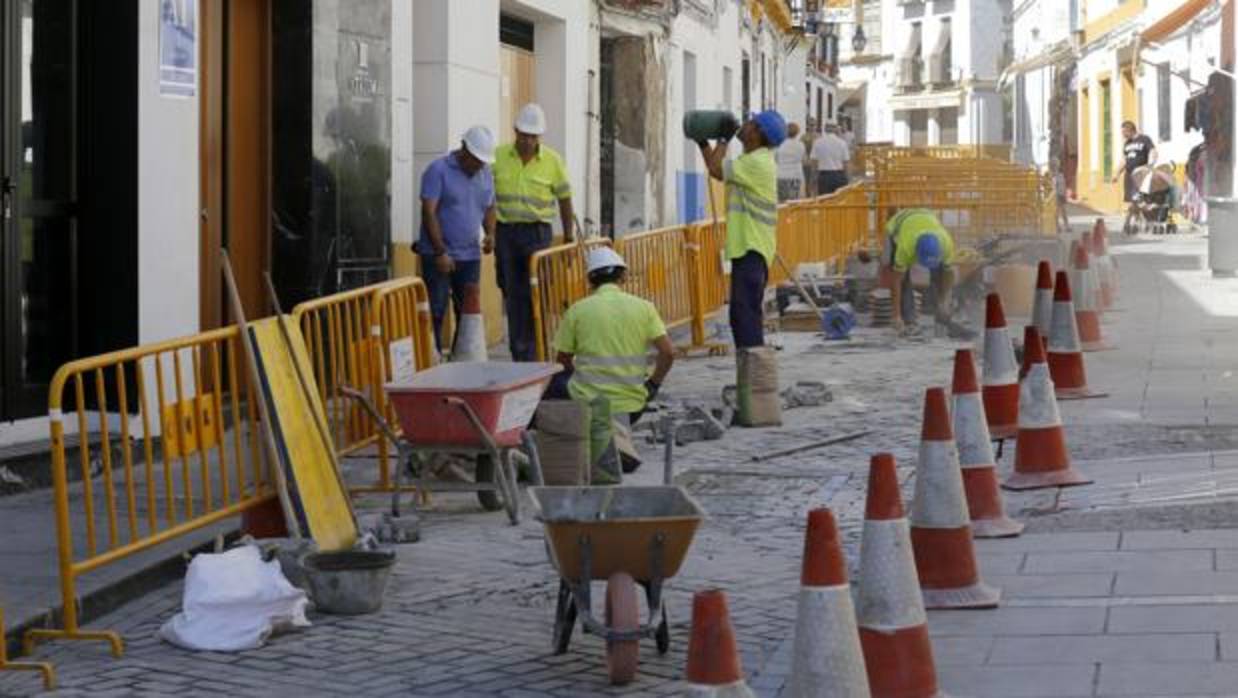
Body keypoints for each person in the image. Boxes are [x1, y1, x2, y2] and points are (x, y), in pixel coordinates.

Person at [552, 247, 674, 479]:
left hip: (588, 405)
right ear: (623, 277)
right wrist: (653, 385)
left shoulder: (577, 311)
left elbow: (562, 362)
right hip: (632, 406)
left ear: (590, 280)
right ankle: (615, 443)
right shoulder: (644, 308)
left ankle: (560, 440)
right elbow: (668, 353)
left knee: (554, 381)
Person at [493, 103, 575, 360]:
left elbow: (565, 200)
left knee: (535, 291)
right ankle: (521, 350)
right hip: (506, 233)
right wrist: (487, 231)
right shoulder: (498, 157)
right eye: (524, 134)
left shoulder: (553, 161)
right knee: (510, 290)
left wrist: (569, 237)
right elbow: (485, 196)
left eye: (533, 136)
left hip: (537, 234)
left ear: (539, 136)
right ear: (515, 131)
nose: (528, 140)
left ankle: (534, 349)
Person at [698, 110, 785, 348]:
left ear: (758, 134)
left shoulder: (757, 163)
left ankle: (754, 379)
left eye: (750, 123)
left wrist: (723, 139)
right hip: (749, 248)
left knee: (744, 317)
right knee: (741, 317)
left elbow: (716, 169)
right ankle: (750, 378)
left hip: (752, 248)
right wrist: (703, 142)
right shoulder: (752, 161)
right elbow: (717, 171)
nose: (744, 125)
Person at [414, 125, 497, 354]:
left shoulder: (485, 174)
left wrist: (490, 233)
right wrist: (440, 251)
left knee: (468, 315)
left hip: (470, 256)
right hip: (437, 255)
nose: (479, 165)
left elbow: (489, 207)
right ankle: (431, 359)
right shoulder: (437, 170)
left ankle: (462, 361)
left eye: (483, 161)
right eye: (476, 160)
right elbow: (429, 212)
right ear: (464, 149)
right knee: (436, 309)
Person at [882, 208, 956, 334]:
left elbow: (948, 274)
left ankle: (940, 312)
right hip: (898, 225)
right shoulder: (905, 247)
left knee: (940, 273)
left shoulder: (946, 244)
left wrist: (944, 300)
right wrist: (896, 315)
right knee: (903, 279)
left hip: (926, 216)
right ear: (916, 252)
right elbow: (896, 282)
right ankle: (908, 320)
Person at [1111, 120, 1157, 235]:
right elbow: (1124, 160)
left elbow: (1153, 151)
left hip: (1140, 174)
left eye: (1124, 132)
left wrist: (1150, 165)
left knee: (1137, 200)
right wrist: (1117, 173)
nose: (1123, 135)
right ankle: (1145, 222)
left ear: (1130, 130)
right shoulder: (1127, 144)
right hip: (1129, 176)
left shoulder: (1144, 139)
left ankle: (1129, 224)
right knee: (1134, 201)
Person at [811, 123, 850, 195]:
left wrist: (814, 178)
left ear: (825, 129)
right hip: (839, 175)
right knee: (839, 201)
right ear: (836, 129)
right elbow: (846, 163)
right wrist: (847, 178)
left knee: (825, 201)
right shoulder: (842, 143)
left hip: (824, 176)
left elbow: (814, 162)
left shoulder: (817, 142)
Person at [776, 122, 806, 202]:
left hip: (781, 175)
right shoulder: (800, 145)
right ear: (797, 132)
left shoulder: (779, 144)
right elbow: (804, 160)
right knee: (793, 203)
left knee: (781, 202)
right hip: (795, 176)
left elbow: (775, 159)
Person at [801, 118, 820, 196]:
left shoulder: (819, 137)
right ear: (807, 126)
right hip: (808, 163)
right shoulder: (804, 137)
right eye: (811, 125)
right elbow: (802, 150)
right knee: (808, 183)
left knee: (816, 182)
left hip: (818, 163)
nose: (812, 127)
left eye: (814, 125)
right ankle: (808, 199)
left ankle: (816, 200)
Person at [1052, 158, 1070, 233]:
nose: (1056, 165)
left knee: (1064, 211)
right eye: (1055, 164)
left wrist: (1065, 193)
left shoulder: (1060, 175)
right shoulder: (1052, 175)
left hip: (1061, 194)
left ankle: (1067, 226)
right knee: (1056, 212)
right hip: (1056, 195)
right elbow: (1053, 186)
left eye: (1057, 164)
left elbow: (1064, 185)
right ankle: (1058, 227)